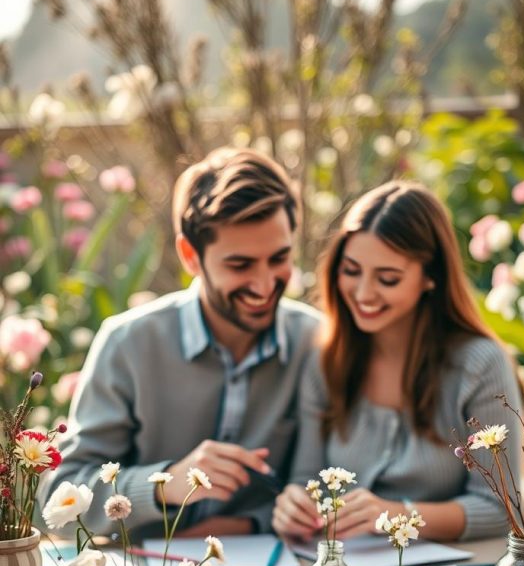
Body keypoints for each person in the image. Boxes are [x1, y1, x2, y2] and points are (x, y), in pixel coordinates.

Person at [40, 147, 320, 537]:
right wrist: (164, 483)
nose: (263, 284)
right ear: (190, 255)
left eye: (279, 259)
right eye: (240, 265)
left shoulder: (316, 342)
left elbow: (322, 487)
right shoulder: (128, 344)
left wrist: (242, 524)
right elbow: (55, 499)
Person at [272, 180, 523, 542]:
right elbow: (307, 480)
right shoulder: (326, 360)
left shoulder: (479, 364)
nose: (363, 293)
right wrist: (294, 505)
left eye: (387, 278)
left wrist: (400, 515)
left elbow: (502, 510)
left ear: (430, 278)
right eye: (352, 271)